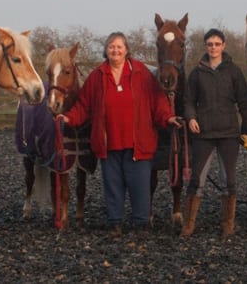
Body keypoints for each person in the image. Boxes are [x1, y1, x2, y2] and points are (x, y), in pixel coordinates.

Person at [59, 32, 182, 236]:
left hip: (138, 142)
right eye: (111, 47)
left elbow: (157, 101)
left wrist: (168, 118)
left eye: (119, 47)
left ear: (126, 50)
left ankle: (141, 223)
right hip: (108, 142)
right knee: (113, 185)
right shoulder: (98, 75)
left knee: (139, 185)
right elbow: (84, 105)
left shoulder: (141, 72)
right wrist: (68, 118)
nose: (115, 50)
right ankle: (114, 222)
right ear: (106, 50)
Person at [181, 28, 247, 237]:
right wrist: (191, 118)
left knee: (229, 180)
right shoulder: (197, 73)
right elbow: (188, 101)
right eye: (210, 44)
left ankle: (228, 224)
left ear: (223, 46)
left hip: (228, 133)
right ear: (205, 46)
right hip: (204, 134)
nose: (213, 48)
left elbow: (245, 103)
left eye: (217, 44)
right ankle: (189, 224)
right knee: (196, 180)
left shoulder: (234, 71)